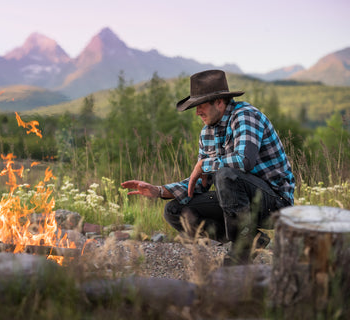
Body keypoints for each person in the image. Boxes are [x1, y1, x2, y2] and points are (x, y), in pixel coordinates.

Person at [121, 69, 295, 265]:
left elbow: (244, 161)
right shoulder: (207, 133)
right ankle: (253, 240)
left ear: (219, 102)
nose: (197, 112)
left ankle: (240, 253)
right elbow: (201, 183)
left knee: (226, 175)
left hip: (275, 203)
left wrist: (204, 164)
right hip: (241, 201)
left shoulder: (245, 116)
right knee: (175, 210)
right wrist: (159, 190)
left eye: (200, 105)